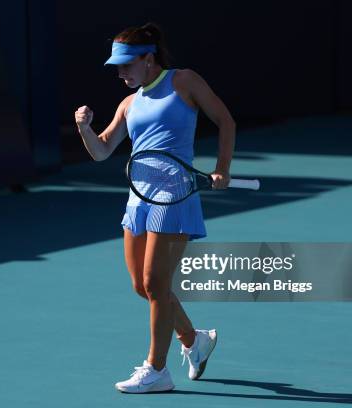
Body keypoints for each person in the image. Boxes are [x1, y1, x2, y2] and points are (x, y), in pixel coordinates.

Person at [74, 22, 236, 393]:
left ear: (149, 59)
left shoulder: (185, 81)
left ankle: (157, 369)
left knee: (155, 283)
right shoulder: (129, 104)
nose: (121, 73)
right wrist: (84, 128)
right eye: (117, 67)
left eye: (127, 65)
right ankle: (195, 340)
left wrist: (222, 168)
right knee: (142, 286)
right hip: (138, 197)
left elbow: (225, 120)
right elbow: (101, 151)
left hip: (173, 195)